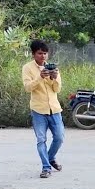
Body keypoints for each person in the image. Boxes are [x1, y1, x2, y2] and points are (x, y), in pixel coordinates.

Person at [23, 40, 65, 179]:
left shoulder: (53, 67)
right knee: (41, 140)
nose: (43, 56)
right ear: (33, 54)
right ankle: (46, 167)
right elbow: (28, 87)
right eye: (40, 53)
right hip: (38, 110)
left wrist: (54, 78)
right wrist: (40, 77)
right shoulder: (27, 68)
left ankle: (50, 157)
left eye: (45, 53)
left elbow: (57, 89)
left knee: (59, 137)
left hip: (54, 108)